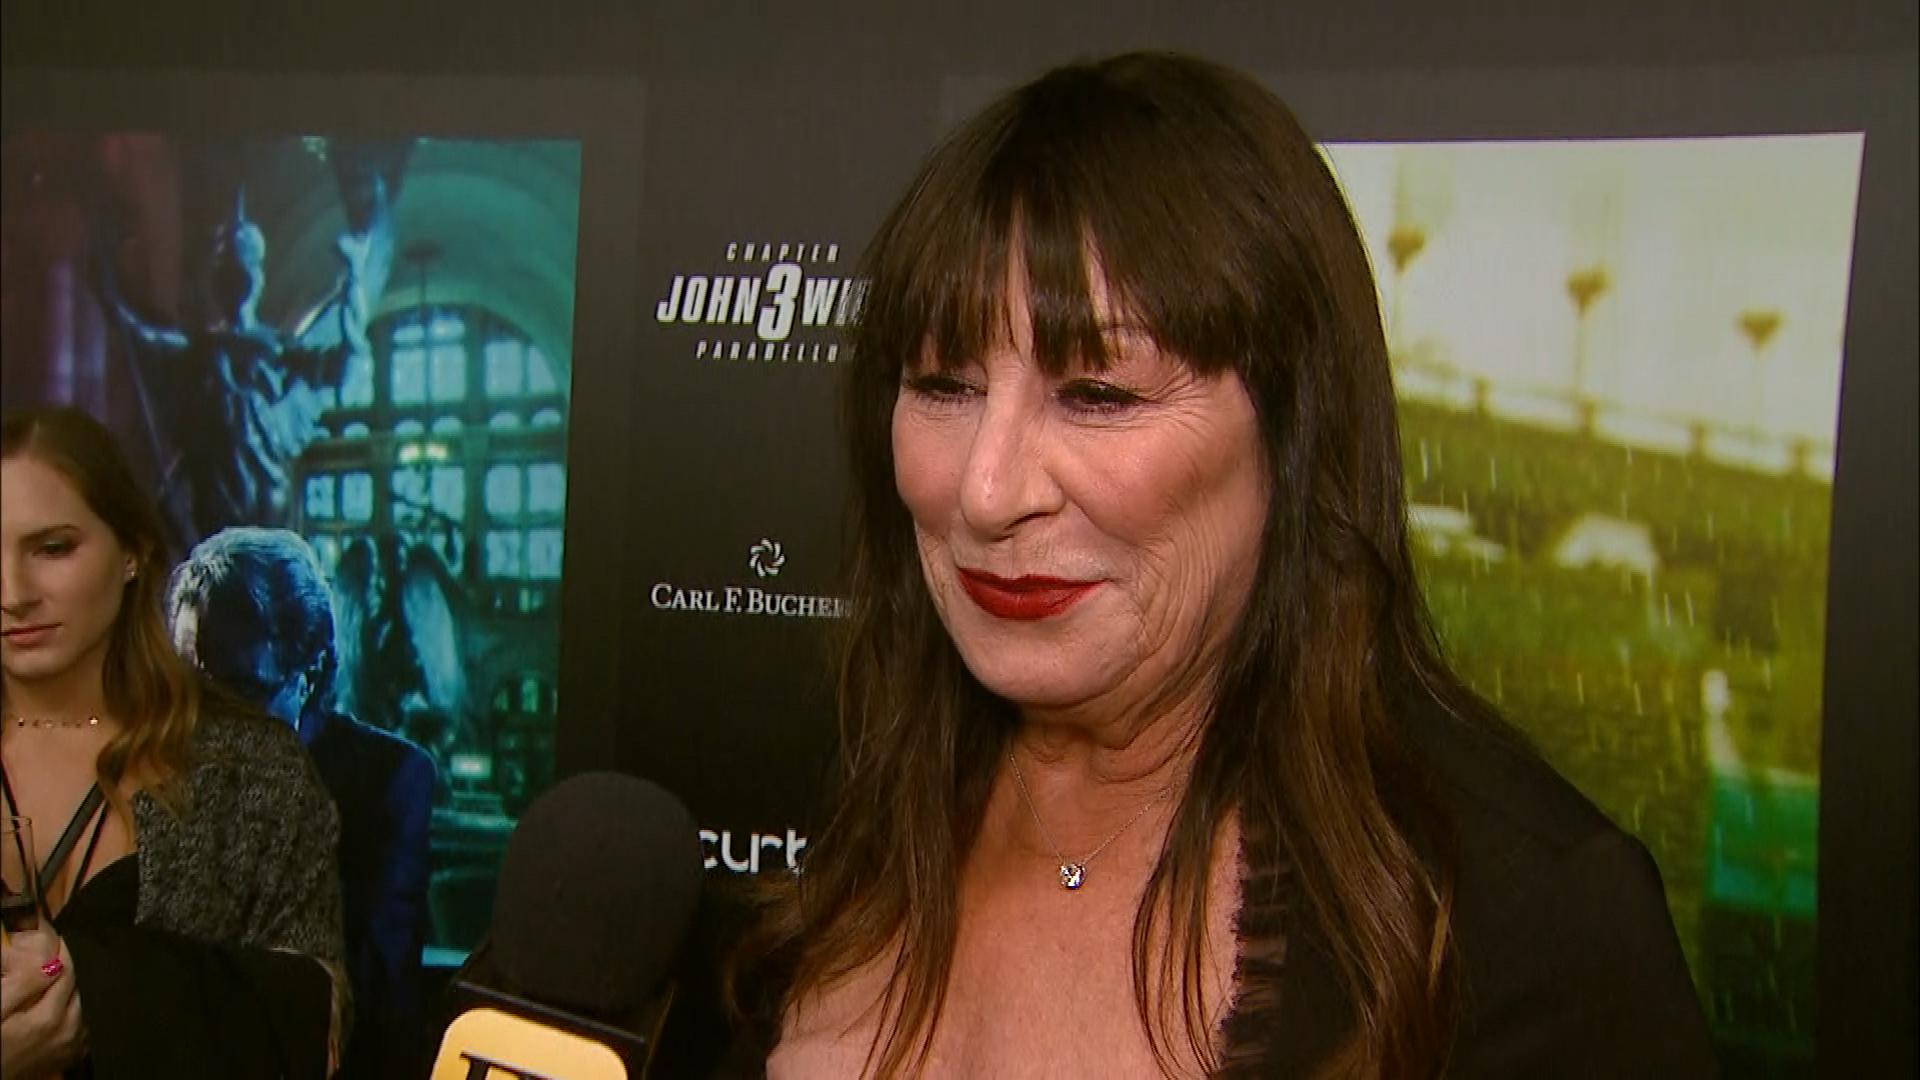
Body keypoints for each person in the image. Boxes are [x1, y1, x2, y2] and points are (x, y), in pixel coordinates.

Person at [729, 54, 1714, 1077]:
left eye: (1099, 395)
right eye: (942, 385)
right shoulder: (872, 778)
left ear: (1292, 437)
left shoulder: (1530, 924)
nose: (986, 489)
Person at [0, 405, 344, 1079]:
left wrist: (104, 998)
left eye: (52, 548)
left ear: (132, 553)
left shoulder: (252, 769)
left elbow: (316, 1030)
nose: (11, 593)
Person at [165, 526, 436, 1079]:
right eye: (191, 689)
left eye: (239, 692)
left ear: (308, 676)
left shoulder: (389, 783)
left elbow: (376, 997)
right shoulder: (155, 772)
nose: (204, 721)